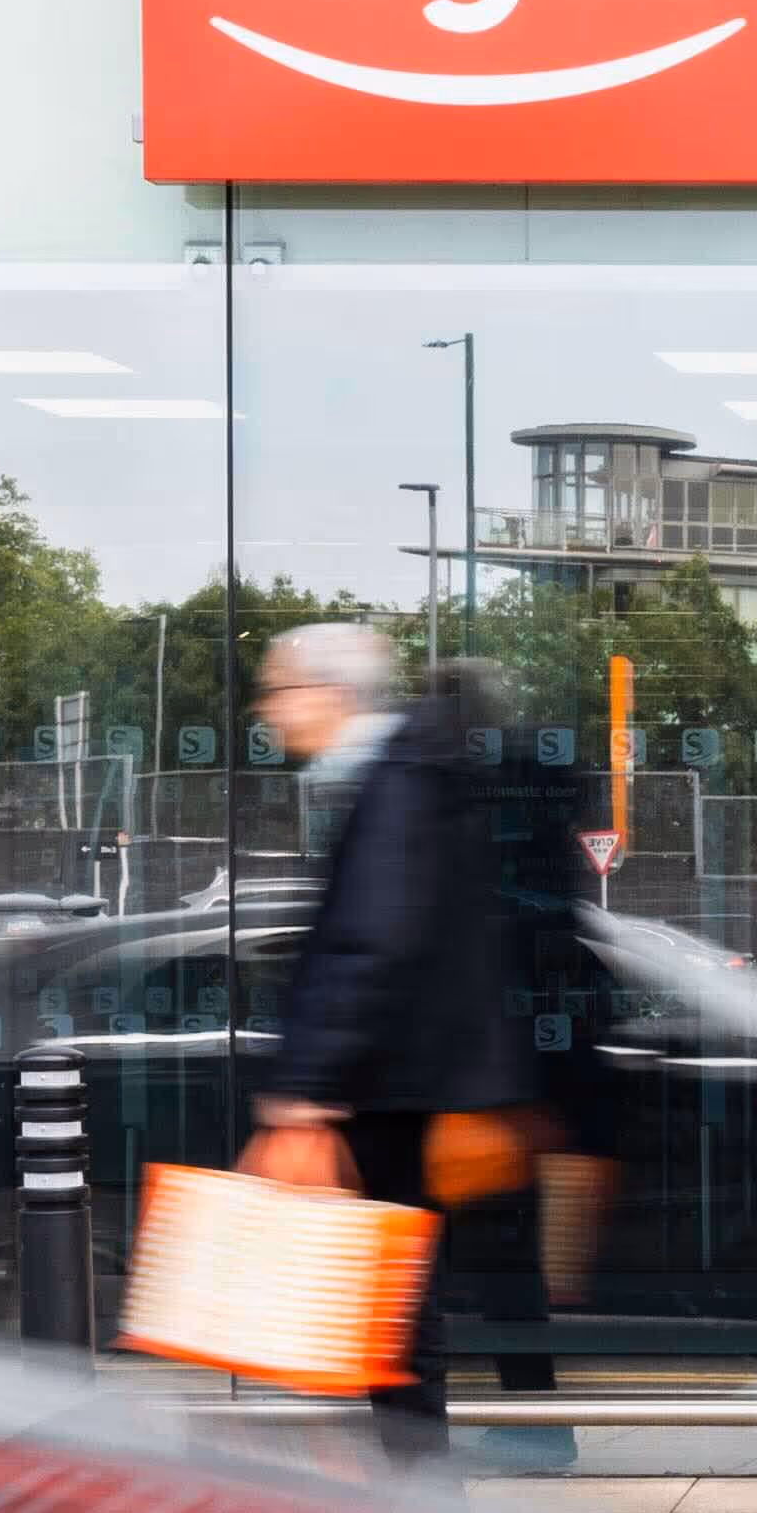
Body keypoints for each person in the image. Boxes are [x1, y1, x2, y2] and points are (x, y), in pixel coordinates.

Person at [252, 625, 549, 1468]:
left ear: (327, 693)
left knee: (391, 1305)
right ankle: (410, 1493)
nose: (268, 712)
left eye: (278, 692)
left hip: (393, 1086)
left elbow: (371, 941)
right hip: (408, 1081)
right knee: (391, 1301)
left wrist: (305, 1087)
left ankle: (417, 1500)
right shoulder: (408, 774)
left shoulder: (401, 782)